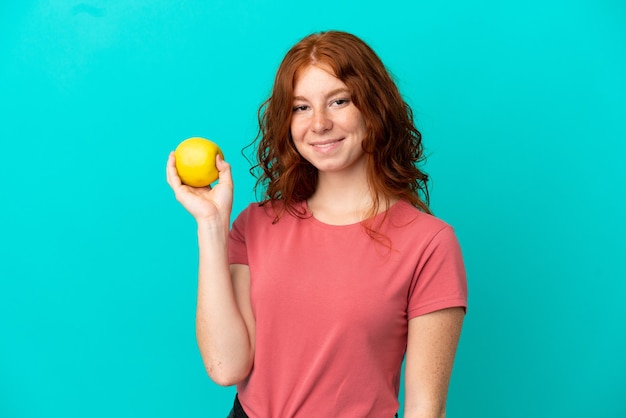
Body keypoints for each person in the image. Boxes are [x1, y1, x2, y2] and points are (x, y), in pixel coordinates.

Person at [166, 30, 468, 418]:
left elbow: (426, 409)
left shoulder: (430, 243)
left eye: (339, 101)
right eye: (301, 107)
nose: (320, 124)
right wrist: (211, 225)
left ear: (374, 107)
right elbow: (227, 368)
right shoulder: (256, 224)